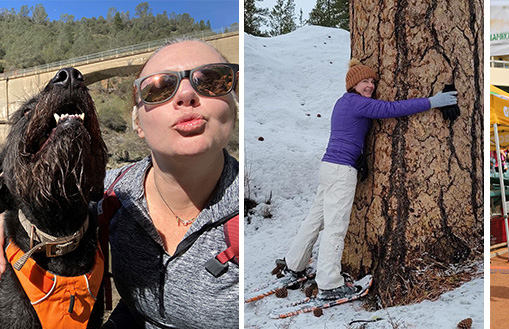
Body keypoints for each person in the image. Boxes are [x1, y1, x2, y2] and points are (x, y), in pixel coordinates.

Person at [0, 39, 239, 328]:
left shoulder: (248, 209)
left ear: (235, 107)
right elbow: (44, 183)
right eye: (161, 87)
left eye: (212, 81)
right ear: (138, 123)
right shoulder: (112, 193)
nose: (187, 94)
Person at [275, 60, 459, 300]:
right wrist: (432, 102)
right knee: (336, 227)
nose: (370, 85)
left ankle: (294, 264)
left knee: (315, 218)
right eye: (365, 81)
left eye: (373, 81)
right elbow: (391, 110)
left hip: (330, 166)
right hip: (341, 170)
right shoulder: (358, 102)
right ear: (353, 84)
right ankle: (330, 284)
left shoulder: (343, 102)